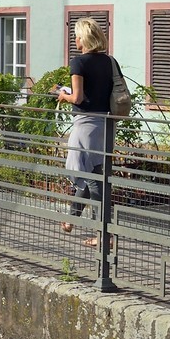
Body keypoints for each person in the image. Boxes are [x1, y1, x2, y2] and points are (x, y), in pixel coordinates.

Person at [58, 17, 116, 241]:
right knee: (91, 172)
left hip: (85, 125)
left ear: (83, 39)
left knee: (89, 176)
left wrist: (64, 96)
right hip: (105, 125)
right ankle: (71, 219)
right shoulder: (110, 62)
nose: (75, 39)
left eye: (77, 35)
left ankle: (104, 235)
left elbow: (78, 97)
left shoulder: (79, 63)